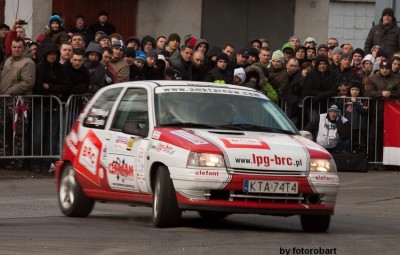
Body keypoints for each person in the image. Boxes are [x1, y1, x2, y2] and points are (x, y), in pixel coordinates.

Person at [0, 37, 36, 169]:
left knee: (18, 134)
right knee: (5, 133)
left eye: (19, 47)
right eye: (14, 47)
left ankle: (18, 161)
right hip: (5, 102)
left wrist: (9, 91)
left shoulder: (28, 63)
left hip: (19, 104)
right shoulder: (8, 60)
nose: (16, 49)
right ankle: (5, 159)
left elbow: (28, 83)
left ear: (23, 47)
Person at [32, 43, 66, 172]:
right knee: (38, 135)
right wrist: (54, 92)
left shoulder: (61, 69)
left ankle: (46, 163)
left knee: (51, 136)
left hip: (54, 106)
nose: (52, 56)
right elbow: (38, 87)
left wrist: (50, 87)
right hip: (40, 105)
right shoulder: (39, 67)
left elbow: (64, 87)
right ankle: (35, 162)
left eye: (54, 54)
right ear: (46, 55)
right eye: (50, 54)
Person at [343, 80, 368, 152]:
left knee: (361, 144)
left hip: (361, 127)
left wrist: (356, 102)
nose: (354, 91)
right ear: (349, 91)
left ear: (360, 91)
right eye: (352, 89)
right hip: (349, 126)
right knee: (350, 144)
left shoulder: (364, 100)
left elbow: (365, 110)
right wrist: (342, 100)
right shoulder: (346, 100)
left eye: (356, 90)